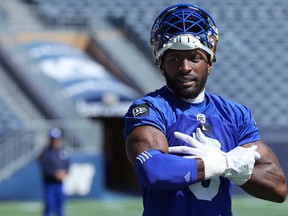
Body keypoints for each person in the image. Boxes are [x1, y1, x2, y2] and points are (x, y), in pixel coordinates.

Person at [124, 3, 287, 216]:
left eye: (194, 57)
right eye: (174, 58)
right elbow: (153, 170)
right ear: (161, 63)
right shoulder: (150, 109)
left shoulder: (234, 115)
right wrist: (217, 164)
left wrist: (230, 166)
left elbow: (278, 187)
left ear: (209, 62)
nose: (185, 67)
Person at [39, 128, 70, 216]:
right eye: (53, 139)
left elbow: (67, 165)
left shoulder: (63, 151)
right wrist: (54, 174)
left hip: (60, 183)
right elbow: (45, 168)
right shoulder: (46, 152)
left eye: (57, 139)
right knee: (49, 204)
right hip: (50, 183)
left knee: (60, 205)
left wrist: (64, 173)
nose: (55, 141)